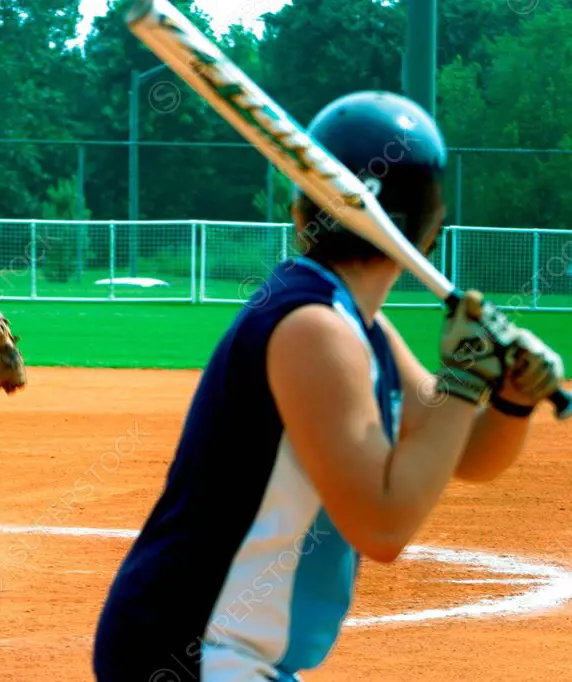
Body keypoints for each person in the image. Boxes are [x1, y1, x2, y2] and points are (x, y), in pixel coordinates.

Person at [92, 90, 565, 680]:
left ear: (300, 209)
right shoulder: (315, 329)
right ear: (432, 226)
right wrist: (468, 376)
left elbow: (461, 451)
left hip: (223, 650)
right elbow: (382, 525)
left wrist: (510, 399)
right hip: (194, 650)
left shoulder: (354, 325)